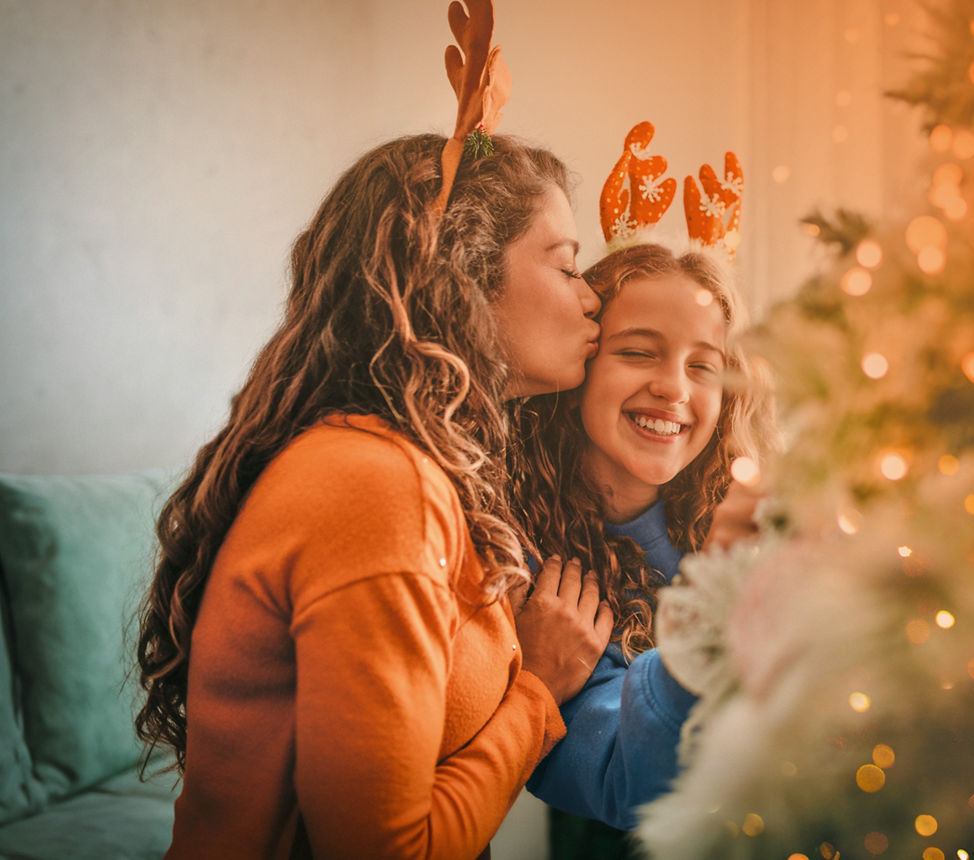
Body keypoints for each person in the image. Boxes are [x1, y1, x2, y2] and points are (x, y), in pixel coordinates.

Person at [133, 44, 617, 856]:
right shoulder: (378, 485)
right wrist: (537, 691)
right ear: (463, 274)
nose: (591, 294)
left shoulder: (410, 466)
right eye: (566, 266)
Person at [508, 241, 769, 851]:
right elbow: (621, 776)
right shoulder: (523, 568)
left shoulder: (744, 522)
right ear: (580, 366)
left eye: (703, 366)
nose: (673, 387)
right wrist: (712, 614)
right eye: (637, 352)